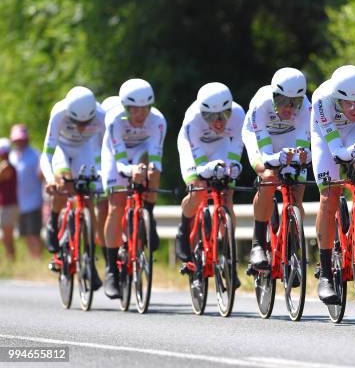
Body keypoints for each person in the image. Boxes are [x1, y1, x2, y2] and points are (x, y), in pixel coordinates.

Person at [310, 65, 355, 304]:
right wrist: (349, 152)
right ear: (336, 97)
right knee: (329, 193)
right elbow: (336, 151)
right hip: (327, 136)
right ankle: (325, 272)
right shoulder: (323, 100)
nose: (354, 108)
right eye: (347, 102)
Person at [100, 78, 167, 299]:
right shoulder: (114, 119)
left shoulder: (157, 120)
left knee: (154, 171)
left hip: (141, 149)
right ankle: (111, 270)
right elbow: (119, 162)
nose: (140, 114)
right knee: (116, 205)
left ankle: (148, 211)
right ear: (125, 107)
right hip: (116, 156)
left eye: (145, 108)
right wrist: (131, 172)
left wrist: (147, 169)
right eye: (134, 109)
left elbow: (155, 156)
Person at [242, 67, 311, 269]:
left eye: (294, 102)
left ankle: (291, 252)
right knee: (269, 175)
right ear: (273, 96)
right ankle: (258, 244)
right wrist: (274, 163)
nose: (289, 108)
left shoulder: (306, 108)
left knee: (297, 188)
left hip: (289, 137)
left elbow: (302, 146)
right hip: (262, 137)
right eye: (282, 101)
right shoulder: (261, 104)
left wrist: (300, 159)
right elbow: (266, 154)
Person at [40, 86, 106, 289]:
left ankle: (89, 260)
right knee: (64, 182)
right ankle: (54, 219)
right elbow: (47, 154)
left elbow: (107, 150)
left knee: (87, 199)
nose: (82, 127)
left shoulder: (102, 115)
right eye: (78, 122)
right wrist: (51, 179)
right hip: (61, 148)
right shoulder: (59, 113)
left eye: (87, 122)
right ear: (70, 114)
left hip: (84, 151)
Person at [175, 82, 245, 274]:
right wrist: (206, 171)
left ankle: (228, 254)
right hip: (194, 148)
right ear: (201, 112)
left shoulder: (239, 115)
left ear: (231, 109)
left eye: (224, 114)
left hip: (220, 146)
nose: (218, 121)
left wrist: (232, 166)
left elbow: (237, 144)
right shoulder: (193, 118)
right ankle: (184, 229)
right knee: (198, 187)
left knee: (227, 192)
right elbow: (199, 163)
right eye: (210, 116)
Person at [9, 124, 44, 258]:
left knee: (33, 234)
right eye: (17, 139)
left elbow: (41, 176)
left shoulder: (35, 154)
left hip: (33, 201)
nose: (20, 142)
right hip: (17, 203)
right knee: (24, 234)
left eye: (22, 139)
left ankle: (37, 259)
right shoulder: (12, 155)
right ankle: (32, 259)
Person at [0, 138, 18, 261]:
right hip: (6, 205)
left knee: (7, 236)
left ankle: (11, 260)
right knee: (5, 236)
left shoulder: (7, 166)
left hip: (8, 205)